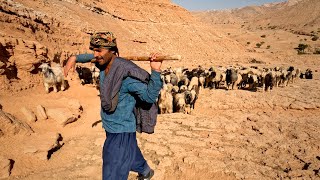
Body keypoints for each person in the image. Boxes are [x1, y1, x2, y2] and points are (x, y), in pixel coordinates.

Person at [64, 31, 163, 180]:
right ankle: (146, 171)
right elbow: (92, 56)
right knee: (130, 153)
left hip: (120, 132)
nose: (95, 54)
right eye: (94, 50)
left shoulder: (126, 76)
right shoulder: (104, 64)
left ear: (112, 50)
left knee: (112, 171)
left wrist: (155, 71)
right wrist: (75, 58)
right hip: (111, 128)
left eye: (99, 50)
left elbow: (149, 97)